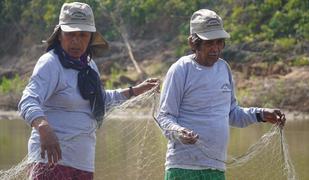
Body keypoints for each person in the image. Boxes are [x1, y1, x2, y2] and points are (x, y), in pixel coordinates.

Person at [18, 2, 159, 180]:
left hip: (82, 162)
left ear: (90, 38)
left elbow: (101, 100)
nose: (76, 41)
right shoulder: (51, 63)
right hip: (50, 161)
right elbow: (28, 100)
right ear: (60, 35)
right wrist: (44, 128)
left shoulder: (89, 66)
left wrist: (135, 90)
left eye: (82, 35)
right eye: (70, 34)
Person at [156, 9, 286, 180]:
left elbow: (232, 114)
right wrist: (179, 132)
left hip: (216, 169)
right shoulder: (181, 69)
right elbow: (164, 117)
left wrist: (260, 114)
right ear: (193, 43)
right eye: (209, 43)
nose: (216, 48)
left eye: (220, 42)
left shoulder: (223, 68)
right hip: (183, 167)